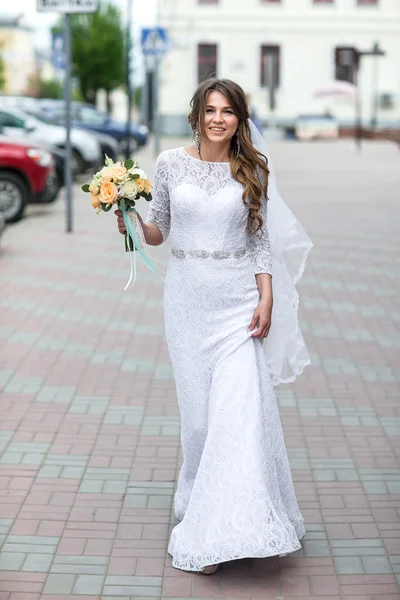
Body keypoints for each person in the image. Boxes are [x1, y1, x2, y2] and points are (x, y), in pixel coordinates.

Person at [115, 78, 312, 576]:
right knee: (199, 420)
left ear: (240, 119)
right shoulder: (168, 164)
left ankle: (223, 529)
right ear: (197, 115)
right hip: (186, 303)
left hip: (238, 304)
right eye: (210, 109)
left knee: (237, 414)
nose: (218, 118)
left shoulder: (252, 170)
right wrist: (130, 221)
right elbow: (158, 229)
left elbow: (260, 239)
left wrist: (266, 295)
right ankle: (197, 503)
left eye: (228, 111)